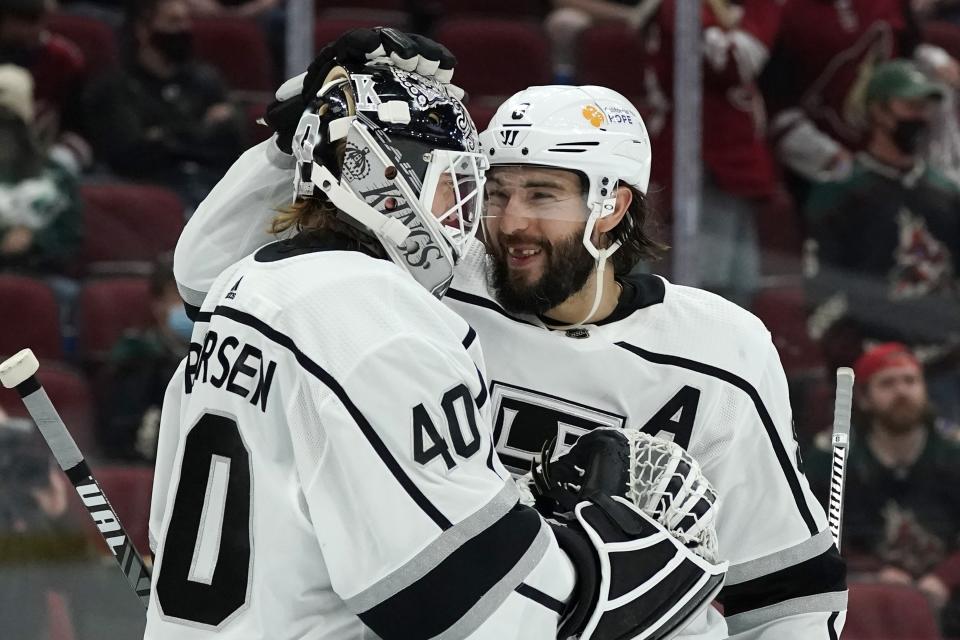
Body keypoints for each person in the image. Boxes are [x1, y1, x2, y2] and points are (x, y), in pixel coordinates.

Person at [171, 28, 846, 639]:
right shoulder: (424, 282)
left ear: (611, 205)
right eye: (495, 193)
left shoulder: (722, 352)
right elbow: (211, 278)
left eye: (541, 195)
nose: (507, 222)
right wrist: (294, 140)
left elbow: (785, 595)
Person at [805, 59, 960, 422]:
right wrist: (852, 359)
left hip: (946, 364)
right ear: (879, 111)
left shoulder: (946, 192)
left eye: (925, 107)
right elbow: (821, 291)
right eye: (910, 106)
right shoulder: (841, 193)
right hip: (874, 371)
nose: (920, 116)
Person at [807, 343, 960, 637]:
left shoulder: (953, 452)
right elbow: (816, 534)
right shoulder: (832, 458)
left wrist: (945, 577)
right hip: (867, 596)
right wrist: (875, 572)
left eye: (910, 381)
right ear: (864, 397)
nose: (902, 392)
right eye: (887, 383)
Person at [81, 0, 245, 208]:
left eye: (186, 21)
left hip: (210, 183)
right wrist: (202, 130)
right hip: (150, 192)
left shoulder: (205, 79)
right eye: (173, 22)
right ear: (142, 30)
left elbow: (233, 137)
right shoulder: (116, 87)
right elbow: (132, 153)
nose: (184, 29)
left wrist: (166, 136)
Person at [101, 254, 190, 461]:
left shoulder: (218, 356)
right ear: (158, 304)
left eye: (194, 296)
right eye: (179, 295)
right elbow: (121, 435)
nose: (189, 305)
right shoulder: (136, 355)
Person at [0, 64, 81, 276]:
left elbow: (71, 237)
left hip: (40, 273)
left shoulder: (57, 174)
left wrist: (35, 240)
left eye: (10, 120)